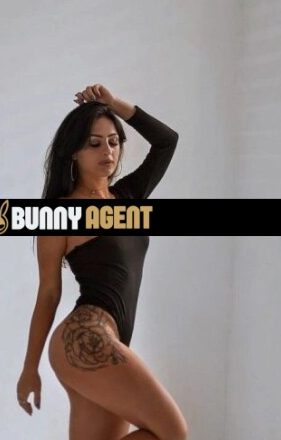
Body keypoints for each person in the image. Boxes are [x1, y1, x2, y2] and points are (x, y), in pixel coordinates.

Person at [17, 84, 188, 440]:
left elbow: (167, 141)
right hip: (86, 335)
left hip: (111, 339)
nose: (107, 151)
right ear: (73, 152)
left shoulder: (128, 197)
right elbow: (49, 293)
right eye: (94, 143)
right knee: (173, 431)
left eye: (113, 142)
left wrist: (114, 104)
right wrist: (29, 368)